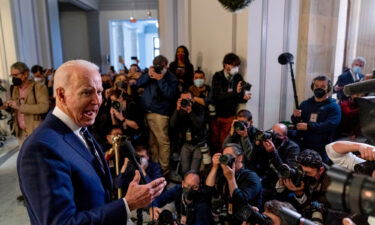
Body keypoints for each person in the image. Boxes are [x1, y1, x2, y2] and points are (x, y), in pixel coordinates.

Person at [17, 60, 167, 225]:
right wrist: (127, 204)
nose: (97, 101)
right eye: (86, 93)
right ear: (61, 95)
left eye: (100, 92)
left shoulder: (80, 128)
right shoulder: (41, 149)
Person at [137, 55, 178, 174]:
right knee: (152, 143)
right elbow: (138, 83)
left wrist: (160, 79)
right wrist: (149, 75)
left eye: (161, 66)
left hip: (160, 114)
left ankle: (164, 170)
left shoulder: (171, 78)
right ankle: (155, 168)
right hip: (147, 112)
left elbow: (170, 94)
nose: (159, 68)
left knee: (162, 142)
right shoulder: (150, 73)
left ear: (166, 65)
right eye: (156, 66)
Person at [205, 143, 262, 225]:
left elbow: (240, 201)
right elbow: (208, 191)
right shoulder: (224, 175)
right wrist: (214, 167)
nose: (225, 159)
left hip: (246, 221)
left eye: (229, 156)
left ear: (240, 157)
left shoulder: (251, 177)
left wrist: (231, 179)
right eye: (223, 156)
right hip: (227, 218)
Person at [290, 75, 341, 163]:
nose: (319, 88)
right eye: (316, 86)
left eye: (322, 86)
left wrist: (309, 127)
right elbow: (296, 122)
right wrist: (295, 116)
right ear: (312, 87)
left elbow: (330, 125)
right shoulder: (305, 104)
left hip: (321, 147)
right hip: (303, 144)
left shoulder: (334, 107)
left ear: (328, 88)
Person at [210, 53, 251, 153]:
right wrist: (234, 92)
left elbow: (239, 97)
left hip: (231, 115)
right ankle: (215, 162)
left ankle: (224, 163)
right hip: (217, 114)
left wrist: (245, 98)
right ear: (225, 65)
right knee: (214, 140)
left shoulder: (238, 77)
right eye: (233, 65)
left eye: (237, 66)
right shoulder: (218, 76)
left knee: (225, 141)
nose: (235, 68)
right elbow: (218, 96)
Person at [7, 62, 49, 144]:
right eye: (12, 76)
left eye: (16, 75)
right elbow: (15, 107)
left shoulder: (39, 87)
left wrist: (20, 106)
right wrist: (8, 106)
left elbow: (44, 107)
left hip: (35, 131)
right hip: (21, 132)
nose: (13, 78)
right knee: (24, 156)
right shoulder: (14, 88)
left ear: (25, 74)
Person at [170, 91, 207, 175]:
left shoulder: (199, 108)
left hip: (198, 143)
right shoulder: (179, 109)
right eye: (183, 99)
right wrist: (177, 109)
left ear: (193, 99)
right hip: (185, 143)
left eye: (188, 99)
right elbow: (172, 125)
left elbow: (199, 125)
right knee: (184, 170)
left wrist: (190, 111)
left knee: (194, 171)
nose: (185, 101)